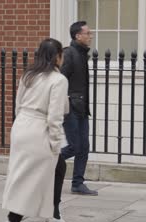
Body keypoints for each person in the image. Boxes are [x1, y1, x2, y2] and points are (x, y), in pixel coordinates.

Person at [0, 38, 72, 222]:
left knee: (53, 170)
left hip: (22, 127)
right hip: (39, 131)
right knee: (30, 185)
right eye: (61, 54)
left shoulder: (28, 75)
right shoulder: (58, 79)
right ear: (57, 57)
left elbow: (18, 105)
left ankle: (53, 215)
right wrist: (55, 145)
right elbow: (54, 117)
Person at [60, 21, 98, 196]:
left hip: (81, 107)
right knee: (74, 147)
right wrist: (66, 102)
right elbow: (60, 81)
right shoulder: (69, 54)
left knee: (84, 147)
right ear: (78, 36)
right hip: (71, 108)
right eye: (88, 33)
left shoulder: (82, 54)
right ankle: (46, 162)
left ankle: (78, 184)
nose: (90, 36)